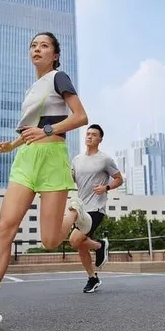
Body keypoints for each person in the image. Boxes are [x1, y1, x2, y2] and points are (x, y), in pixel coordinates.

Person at [0, 31, 91, 331]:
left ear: (55, 55)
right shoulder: (30, 89)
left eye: (44, 45)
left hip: (52, 158)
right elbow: (31, 128)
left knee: (50, 241)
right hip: (26, 160)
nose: (36, 49)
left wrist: (47, 130)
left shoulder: (59, 78)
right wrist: (13, 144)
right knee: (5, 228)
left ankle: (74, 211)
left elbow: (81, 117)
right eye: (33, 45)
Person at [69, 124, 123, 293]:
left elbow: (119, 179)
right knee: (80, 245)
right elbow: (70, 178)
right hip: (81, 208)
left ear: (100, 139)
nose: (89, 136)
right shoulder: (77, 159)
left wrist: (106, 187)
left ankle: (99, 245)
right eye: (88, 134)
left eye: (93, 134)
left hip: (96, 207)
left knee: (74, 240)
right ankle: (93, 278)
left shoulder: (105, 159)